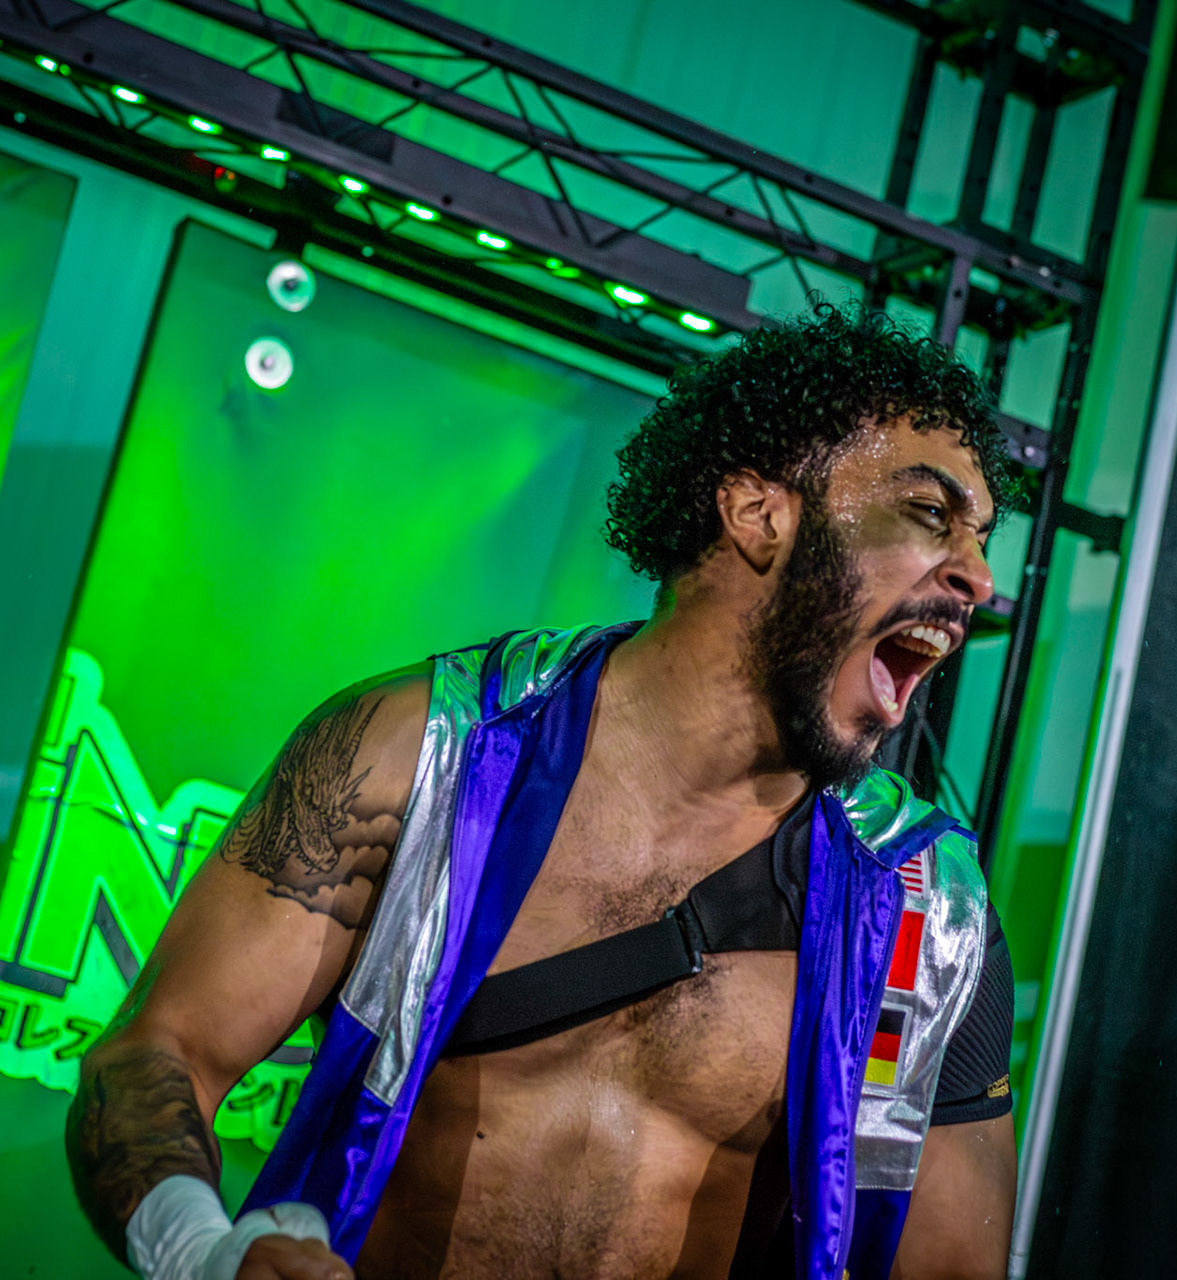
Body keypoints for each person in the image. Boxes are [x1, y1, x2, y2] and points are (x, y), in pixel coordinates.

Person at [67, 306, 1018, 1280]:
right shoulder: (415, 754)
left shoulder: (932, 915)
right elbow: (157, 1052)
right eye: (928, 513)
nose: (981, 578)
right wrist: (202, 1250)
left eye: (984, 538)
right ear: (758, 514)